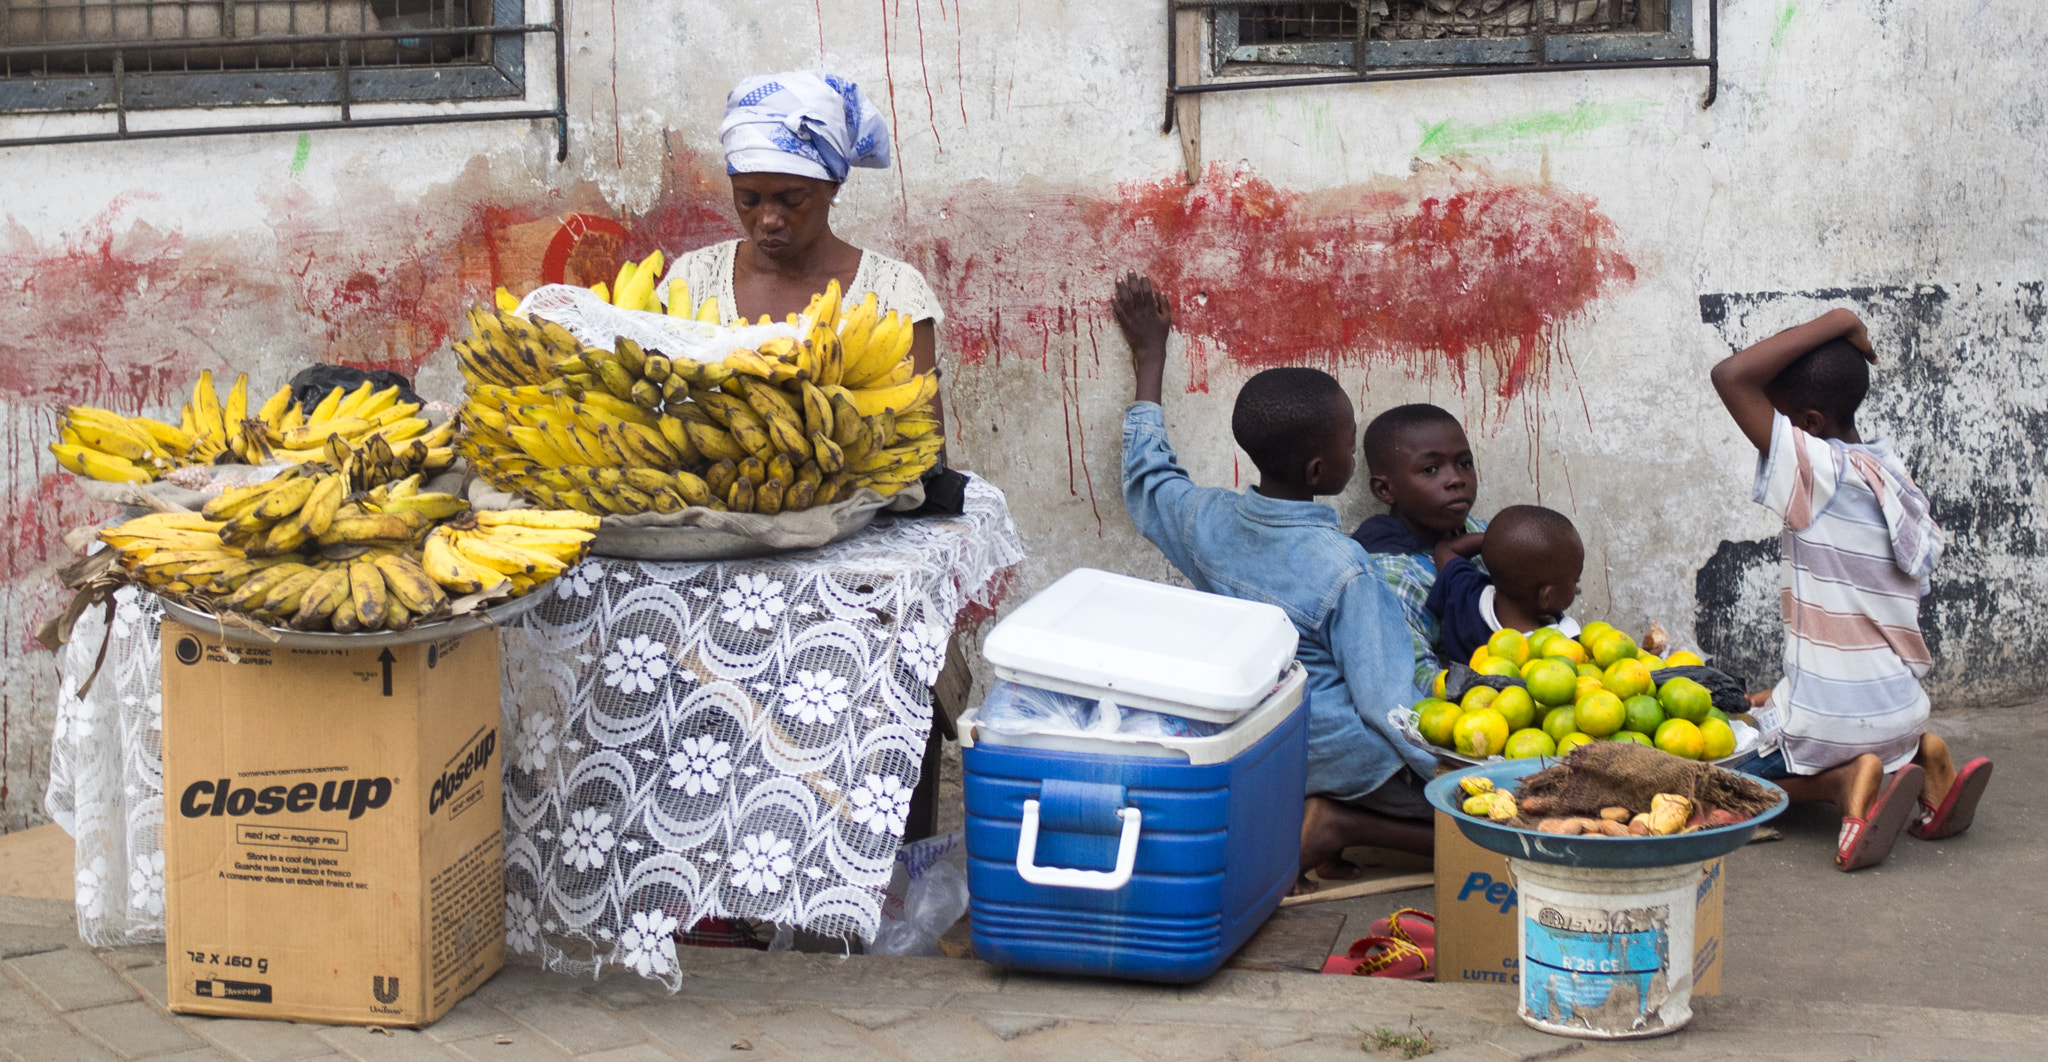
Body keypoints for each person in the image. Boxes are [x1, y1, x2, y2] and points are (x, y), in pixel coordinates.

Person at [1112, 274, 1435, 892]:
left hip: (1270, 748)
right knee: (1500, 822)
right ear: (1322, 470)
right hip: (1352, 759)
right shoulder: (1345, 569)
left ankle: (1331, 814)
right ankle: (1340, 825)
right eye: (1349, 443)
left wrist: (1149, 359)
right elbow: (1387, 706)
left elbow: (1147, 481)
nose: (1353, 453)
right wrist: (1460, 778)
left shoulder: (1207, 523)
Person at [1709, 307, 1991, 871]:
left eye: (1782, 419)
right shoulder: (1888, 472)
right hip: (1902, 713)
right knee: (1772, 708)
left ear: (1809, 424)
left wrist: (1841, 320)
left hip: (1830, 723)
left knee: (1713, 782)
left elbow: (1731, 376)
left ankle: (1840, 785)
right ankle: (1924, 758)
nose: (1772, 432)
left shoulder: (1817, 472)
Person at [662, 70, 945, 424]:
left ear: (832, 186)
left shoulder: (895, 294)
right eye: (748, 199)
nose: (768, 219)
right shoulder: (693, 279)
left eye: (791, 199)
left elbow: (926, 447)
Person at [1350, 405, 1484, 688]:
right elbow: (1418, 681)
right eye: (1430, 469)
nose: (1456, 479)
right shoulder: (1392, 575)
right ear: (1385, 490)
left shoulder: (1480, 532)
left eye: (1464, 464)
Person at [1425, 504, 1584, 664]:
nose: (1576, 588)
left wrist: (1498, 543)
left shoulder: (1464, 594)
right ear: (1546, 596)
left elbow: (1445, 549)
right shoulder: (1565, 642)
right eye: (1575, 582)